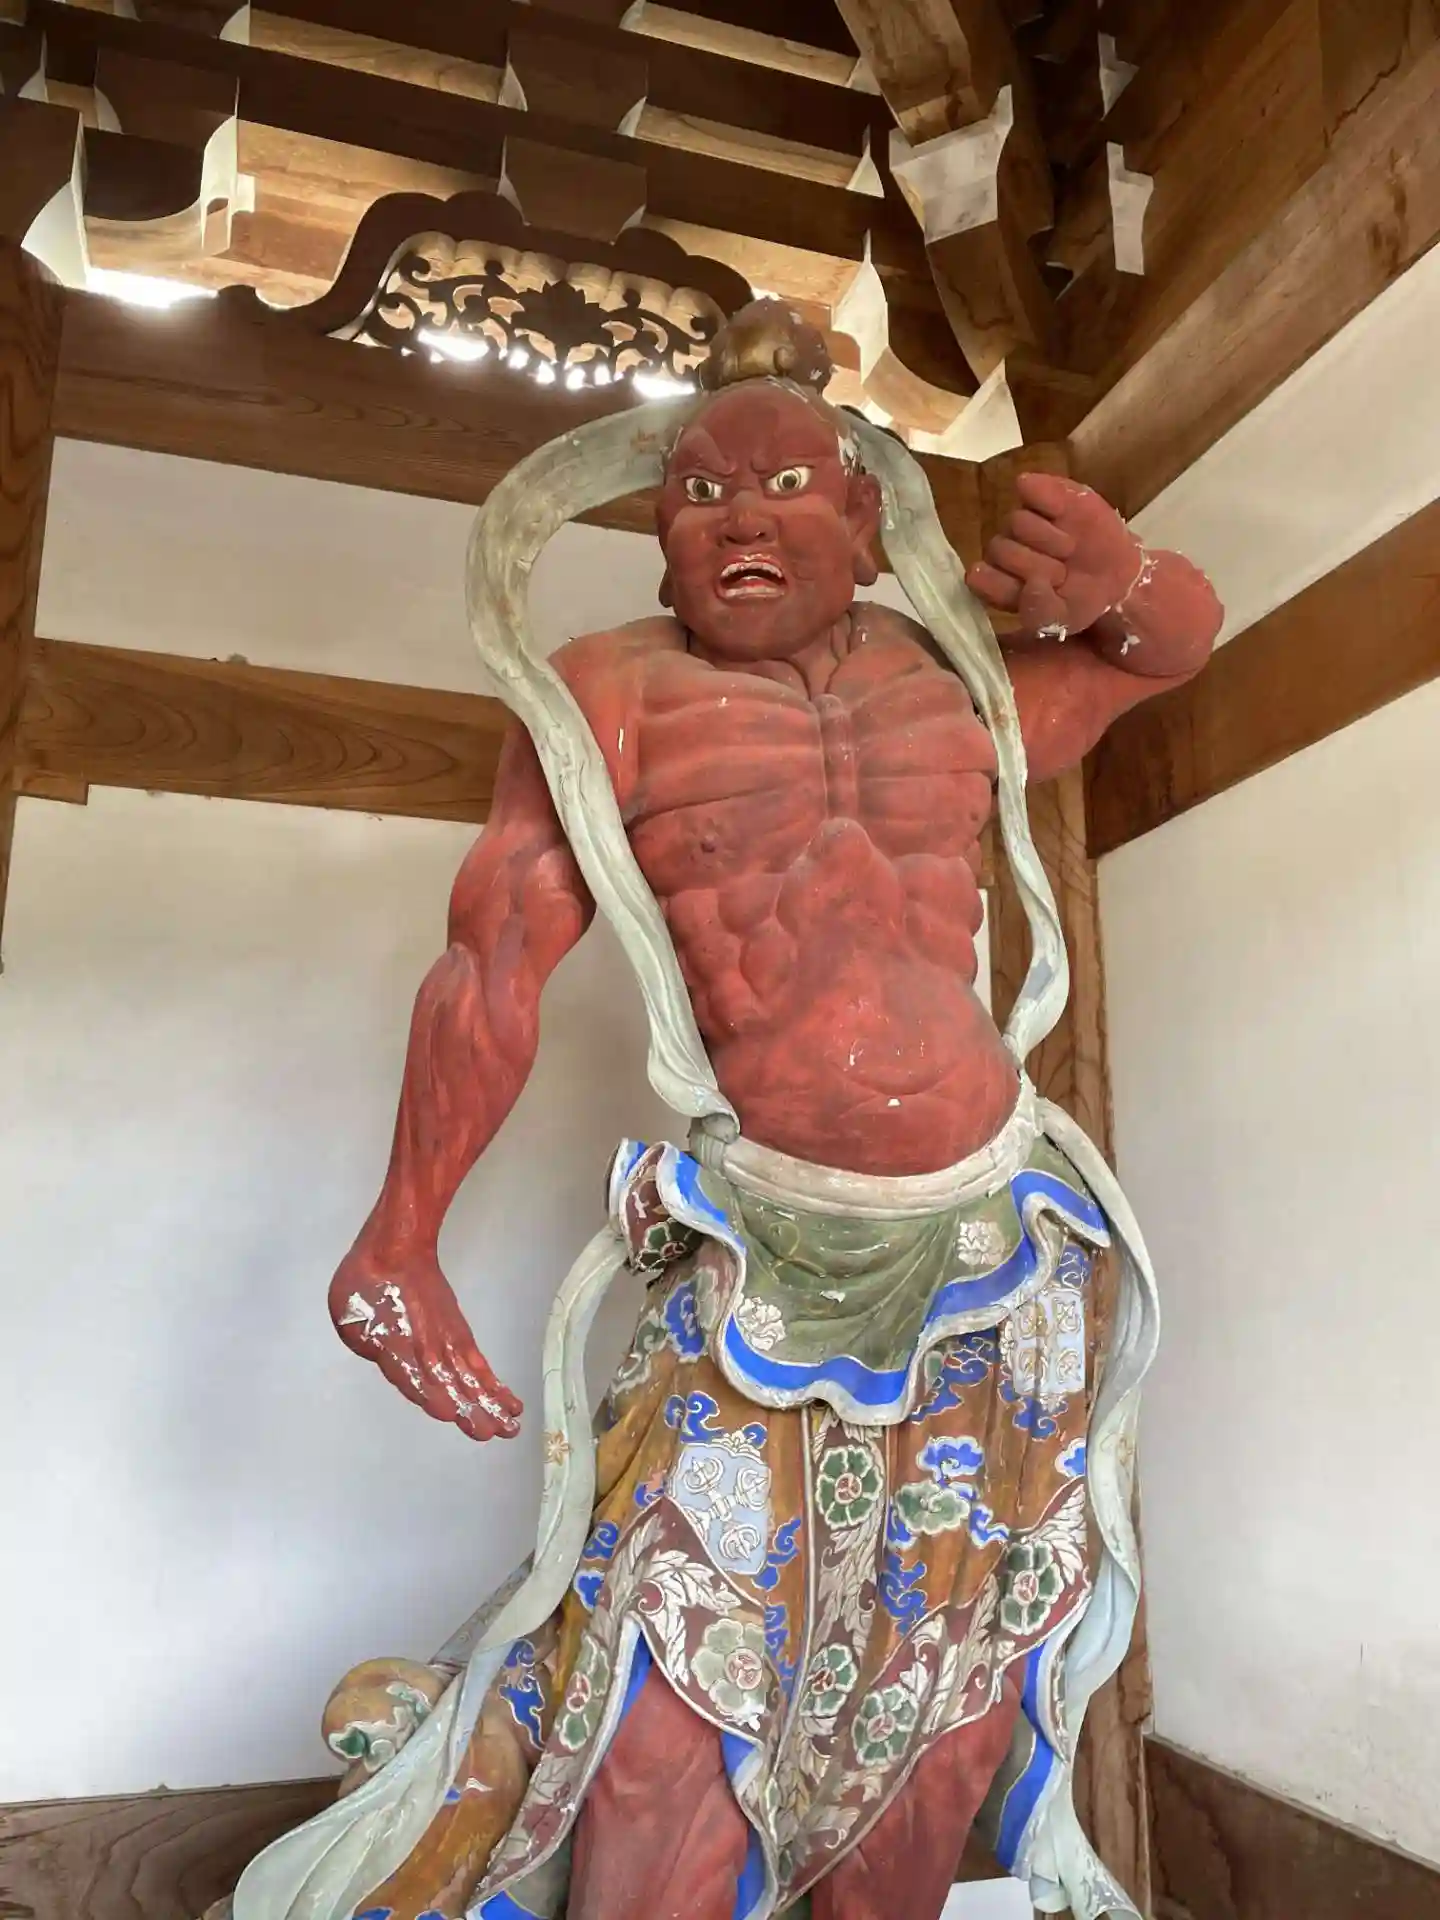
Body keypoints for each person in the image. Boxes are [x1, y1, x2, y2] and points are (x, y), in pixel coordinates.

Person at [233, 303, 1221, 1920]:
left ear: (869, 519)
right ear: (654, 536)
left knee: (942, 1684)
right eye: (697, 493)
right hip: (761, 1245)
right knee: (664, 1697)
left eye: (783, 485)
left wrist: (1126, 581)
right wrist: (398, 1234)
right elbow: (492, 956)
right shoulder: (610, 693)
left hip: (1000, 1251)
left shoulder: (956, 682)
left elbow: (1166, 648)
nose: (738, 517)